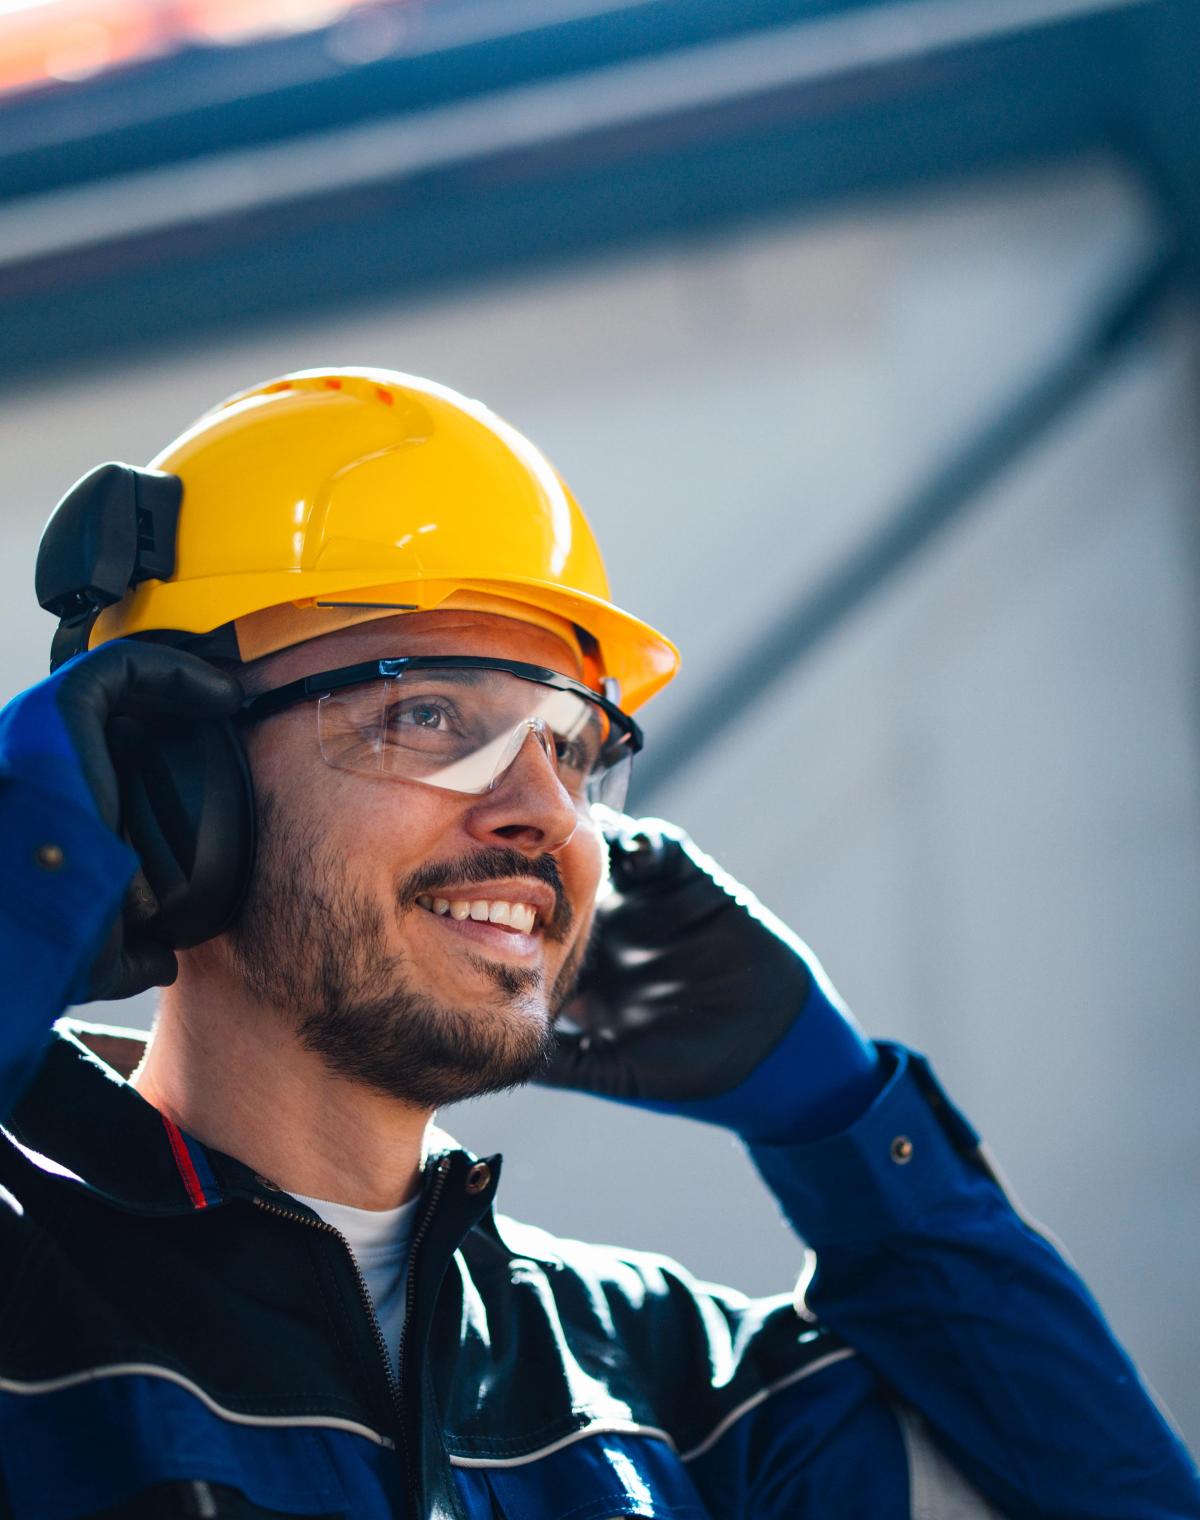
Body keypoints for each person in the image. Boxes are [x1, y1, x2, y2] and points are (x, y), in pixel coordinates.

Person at [0, 367, 1196, 1520]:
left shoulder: (669, 1390)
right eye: (432, 713)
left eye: (571, 746)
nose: (547, 813)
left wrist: (841, 1121)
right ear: (171, 785)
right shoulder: (30, 1303)